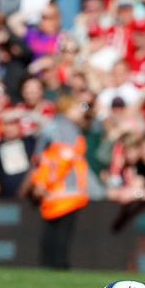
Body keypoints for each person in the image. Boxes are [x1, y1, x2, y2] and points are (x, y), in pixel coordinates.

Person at [29, 95, 89, 269]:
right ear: (68, 109)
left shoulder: (52, 126)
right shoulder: (67, 128)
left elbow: (41, 158)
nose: (81, 112)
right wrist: (46, 183)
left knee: (51, 232)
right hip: (64, 190)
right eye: (78, 107)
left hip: (52, 191)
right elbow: (62, 160)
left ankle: (48, 265)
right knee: (61, 235)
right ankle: (58, 265)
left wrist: (41, 182)